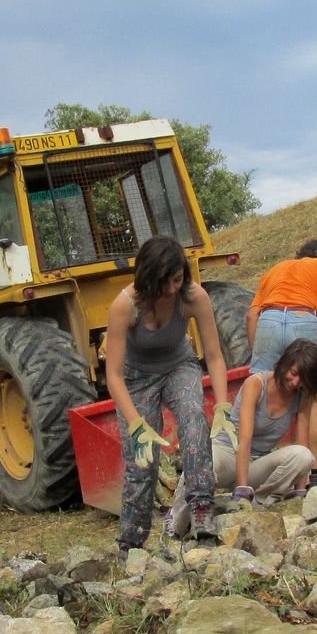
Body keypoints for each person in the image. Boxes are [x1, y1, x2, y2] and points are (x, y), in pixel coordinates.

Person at [105, 236, 233, 553]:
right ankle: (131, 543)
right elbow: (114, 375)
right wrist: (136, 425)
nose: (172, 289)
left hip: (179, 366)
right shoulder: (125, 306)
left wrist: (223, 406)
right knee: (142, 461)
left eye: (178, 280)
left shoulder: (193, 297)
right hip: (135, 380)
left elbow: (214, 357)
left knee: (193, 421)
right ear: (148, 278)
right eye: (165, 282)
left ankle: (202, 511)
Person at [246, 239, 317, 485]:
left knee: (262, 394)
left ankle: (258, 467)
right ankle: (316, 474)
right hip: (304, 318)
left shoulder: (275, 270)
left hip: (267, 321)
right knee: (316, 397)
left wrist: (258, 350)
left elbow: (252, 314)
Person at [222, 338, 317, 503]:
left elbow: (302, 443)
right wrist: (242, 489)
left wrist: (300, 491)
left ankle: (262, 500)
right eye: (294, 373)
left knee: (305, 456)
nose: (295, 382)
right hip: (229, 455)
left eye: (303, 379)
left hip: (257, 464)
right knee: (204, 463)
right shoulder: (256, 384)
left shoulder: (302, 395)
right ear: (284, 364)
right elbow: (244, 439)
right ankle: (179, 514)